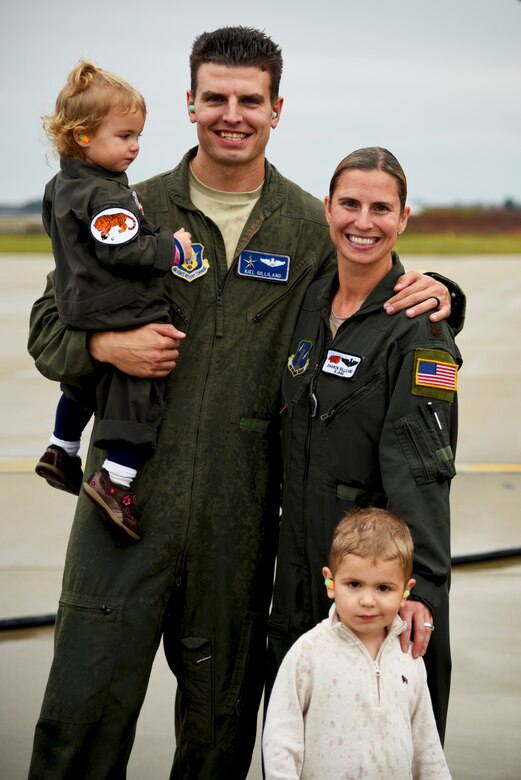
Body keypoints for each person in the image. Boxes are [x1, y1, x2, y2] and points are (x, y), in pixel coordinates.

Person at [27, 28, 464, 779]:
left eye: (249, 100)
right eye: (215, 98)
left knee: (219, 734)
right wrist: (102, 350)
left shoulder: (308, 226)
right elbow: (47, 327)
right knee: (81, 719)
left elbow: (371, 291)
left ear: (275, 109)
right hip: (122, 510)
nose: (232, 114)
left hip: (239, 528)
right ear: (189, 104)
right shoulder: (130, 206)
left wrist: (446, 299)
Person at [267, 146, 461, 746]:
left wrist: (419, 587)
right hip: (302, 572)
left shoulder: (424, 332)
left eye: (382, 208)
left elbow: (425, 468)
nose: (363, 221)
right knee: (297, 742)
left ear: (403, 220)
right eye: (349, 204)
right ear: (327, 209)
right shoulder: (306, 302)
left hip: (374, 587)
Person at [34, 60, 192, 540]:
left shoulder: (61, 186)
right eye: (124, 136)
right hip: (121, 307)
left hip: (78, 302)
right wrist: (173, 247)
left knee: (83, 384)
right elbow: (123, 247)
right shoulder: (106, 194)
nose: (135, 147)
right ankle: (114, 480)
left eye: (138, 136)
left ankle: (61, 448)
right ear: (83, 136)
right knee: (141, 390)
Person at [263, 508, 451, 779]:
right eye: (354, 584)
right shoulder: (308, 653)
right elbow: (281, 741)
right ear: (330, 582)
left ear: (405, 591)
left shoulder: (408, 658)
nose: (367, 600)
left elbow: (427, 749)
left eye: (383, 588)